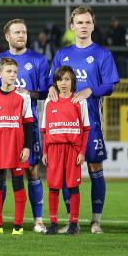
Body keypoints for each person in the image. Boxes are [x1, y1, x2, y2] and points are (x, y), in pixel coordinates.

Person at [49, 6, 119, 234]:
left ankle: (96, 221)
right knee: (69, 169)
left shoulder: (102, 54)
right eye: (79, 22)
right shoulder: (62, 55)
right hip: (65, 124)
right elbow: (53, 81)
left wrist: (91, 90)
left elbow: (110, 85)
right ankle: (73, 220)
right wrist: (51, 88)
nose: (83, 26)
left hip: (91, 122)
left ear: (93, 25)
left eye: (87, 22)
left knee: (95, 166)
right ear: (72, 26)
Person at [0, 19, 51, 233]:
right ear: (7, 36)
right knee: (0, 173)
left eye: (24, 31)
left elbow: (45, 91)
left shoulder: (39, 60)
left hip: (26, 125)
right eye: (16, 32)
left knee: (32, 171)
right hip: (2, 128)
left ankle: (38, 220)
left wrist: (28, 93)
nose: (21, 35)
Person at [0, 57, 34, 235]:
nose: (12, 75)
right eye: (9, 72)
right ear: (0, 74)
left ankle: (18, 226)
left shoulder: (23, 96)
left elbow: (28, 124)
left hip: (17, 147)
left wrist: (27, 147)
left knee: (18, 183)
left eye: (15, 72)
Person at [39, 66, 89, 235]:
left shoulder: (79, 101)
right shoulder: (49, 102)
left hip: (72, 150)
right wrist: (45, 152)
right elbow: (45, 130)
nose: (63, 83)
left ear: (72, 81)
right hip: (54, 150)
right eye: (60, 80)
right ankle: (53, 223)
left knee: (73, 187)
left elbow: (86, 129)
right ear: (56, 83)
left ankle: (73, 223)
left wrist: (82, 152)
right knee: (54, 187)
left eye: (67, 79)